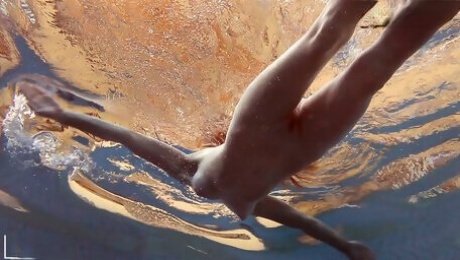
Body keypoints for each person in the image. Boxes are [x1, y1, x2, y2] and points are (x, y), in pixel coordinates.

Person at [16, 1, 460, 259]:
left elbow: (126, 138)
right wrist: (348, 249)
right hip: (307, 144)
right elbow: (302, 219)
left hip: (255, 123)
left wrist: (59, 113)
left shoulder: (191, 172)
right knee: (377, 67)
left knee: (324, 36)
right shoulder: (252, 203)